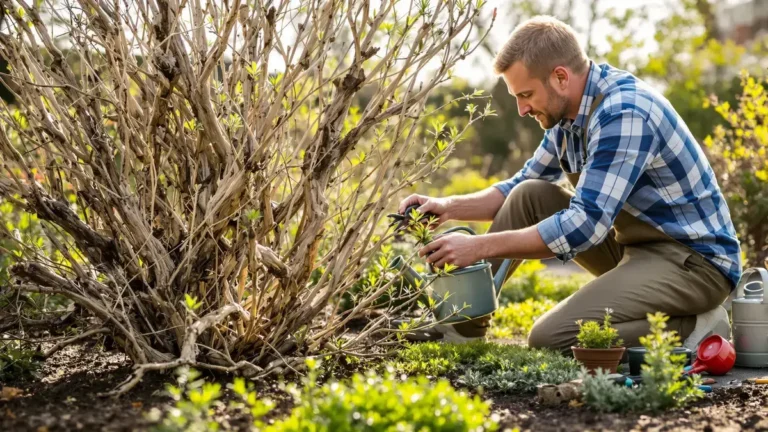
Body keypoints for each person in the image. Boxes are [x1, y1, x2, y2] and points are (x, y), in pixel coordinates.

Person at [398, 16, 742, 353]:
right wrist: (448, 207)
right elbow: (521, 184)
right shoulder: (565, 117)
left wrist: (479, 246)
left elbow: (585, 226)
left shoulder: (623, 113)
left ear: (561, 77)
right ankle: (463, 326)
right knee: (528, 195)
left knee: (552, 336)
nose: (521, 109)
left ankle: (693, 325)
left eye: (526, 94)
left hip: (694, 264)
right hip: (636, 248)